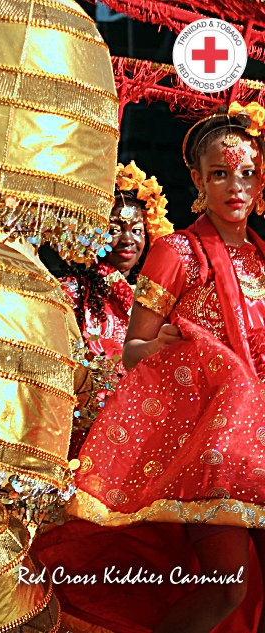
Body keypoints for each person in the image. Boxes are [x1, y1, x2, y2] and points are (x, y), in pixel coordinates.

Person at [65, 102, 265, 633]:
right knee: (227, 586)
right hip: (211, 451)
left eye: (247, 172)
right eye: (221, 173)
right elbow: (133, 349)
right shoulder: (178, 252)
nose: (235, 186)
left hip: (262, 443)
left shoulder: (264, 258)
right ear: (198, 180)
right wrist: (188, 352)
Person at [59, 162, 172, 459]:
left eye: (136, 230)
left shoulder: (157, 299)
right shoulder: (70, 292)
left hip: (141, 430)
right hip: (81, 434)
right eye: (114, 230)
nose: (128, 240)